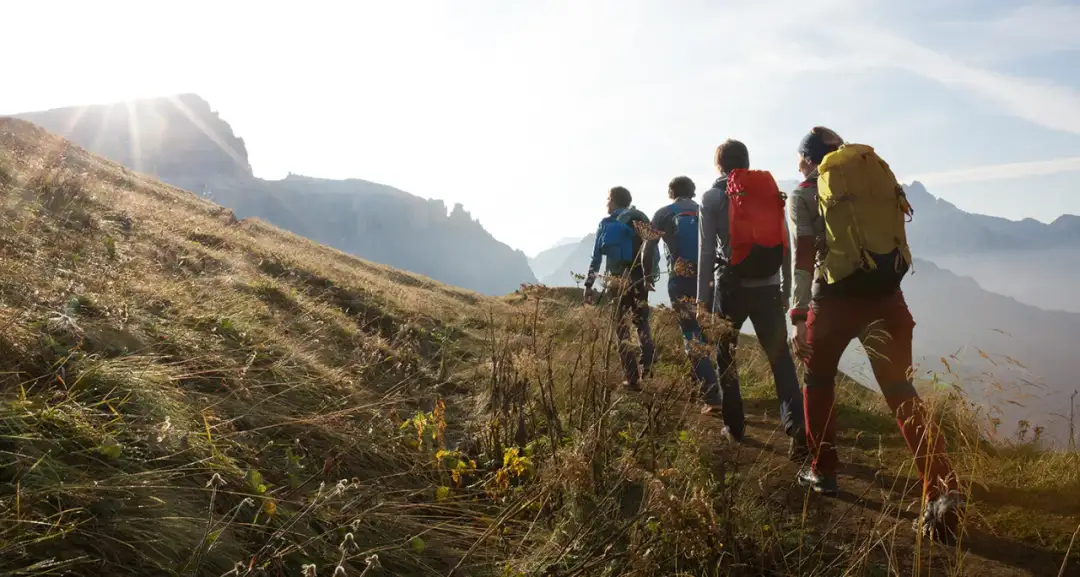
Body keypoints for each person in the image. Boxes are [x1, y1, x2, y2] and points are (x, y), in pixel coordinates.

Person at [788, 126, 963, 542]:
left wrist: (797, 317)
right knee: (902, 393)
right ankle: (942, 488)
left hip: (830, 304)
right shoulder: (871, 182)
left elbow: (802, 257)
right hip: (887, 299)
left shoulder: (803, 194)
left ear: (806, 159)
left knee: (818, 380)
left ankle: (822, 471)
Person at [697, 139, 808, 461]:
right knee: (780, 360)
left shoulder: (713, 197)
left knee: (725, 356)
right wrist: (786, 289)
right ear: (746, 163)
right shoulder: (769, 192)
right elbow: (784, 243)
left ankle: (734, 428)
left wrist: (703, 300)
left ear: (719, 166)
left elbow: (705, 252)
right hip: (769, 289)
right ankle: (796, 425)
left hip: (730, 290)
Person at [643, 176, 720, 405]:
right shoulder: (704, 209)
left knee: (690, 333)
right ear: (693, 191)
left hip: (679, 279)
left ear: (671, 192)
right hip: (707, 279)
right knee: (704, 331)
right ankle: (701, 384)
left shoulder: (664, 213)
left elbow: (648, 248)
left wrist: (648, 277)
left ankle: (712, 395)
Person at [584, 186, 657, 391]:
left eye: (608, 199)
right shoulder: (641, 219)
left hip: (616, 281)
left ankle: (631, 378)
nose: (606, 203)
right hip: (639, 278)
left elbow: (596, 257)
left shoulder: (607, 223)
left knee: (621, 327)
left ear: (614, 201)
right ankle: (648, 363)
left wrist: (589, 284)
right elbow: (652, 249)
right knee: (641, 320)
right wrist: (650, 276)